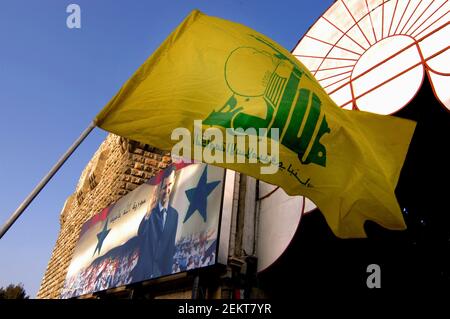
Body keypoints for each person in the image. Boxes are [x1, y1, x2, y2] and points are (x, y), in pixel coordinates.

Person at [131, 166, 179, 282]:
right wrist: (148, 213)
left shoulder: (174, 215)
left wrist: (167, 278)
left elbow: (169, 248)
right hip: (142, 275)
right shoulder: (151, 212)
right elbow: (141, 233)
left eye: (170, 185)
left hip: (159, 275)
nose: (167, 190)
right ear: (159, 188)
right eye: (164, 187)